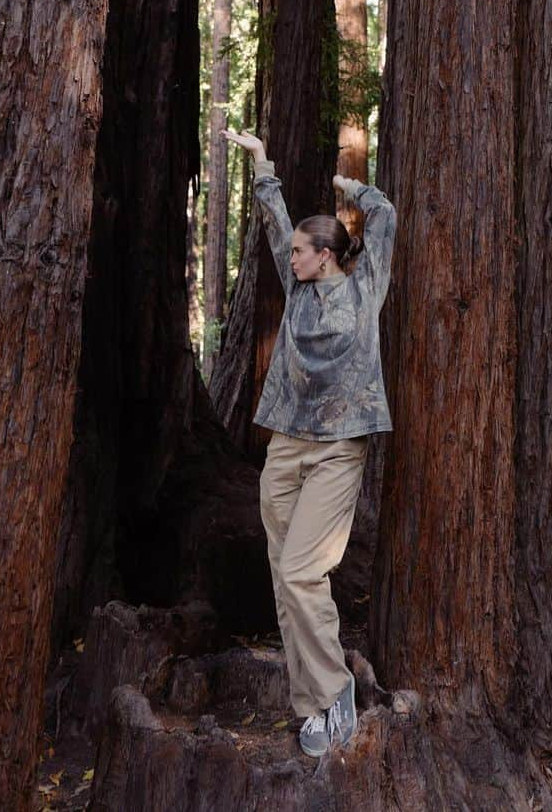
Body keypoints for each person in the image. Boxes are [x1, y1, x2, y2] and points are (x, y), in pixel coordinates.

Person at [220, 128, 396, 758]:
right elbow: (273, 220)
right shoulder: (296, 290)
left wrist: (356, 190)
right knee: (284, 574)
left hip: (338, 449)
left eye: (300, 250)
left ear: (325, 254)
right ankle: (312, 703)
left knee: (302, 569)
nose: (289, 257)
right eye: (291, 250)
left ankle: (337, 690)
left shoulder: (363, 286)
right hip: (287, 446)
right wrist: (264, 162)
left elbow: (386, 217)